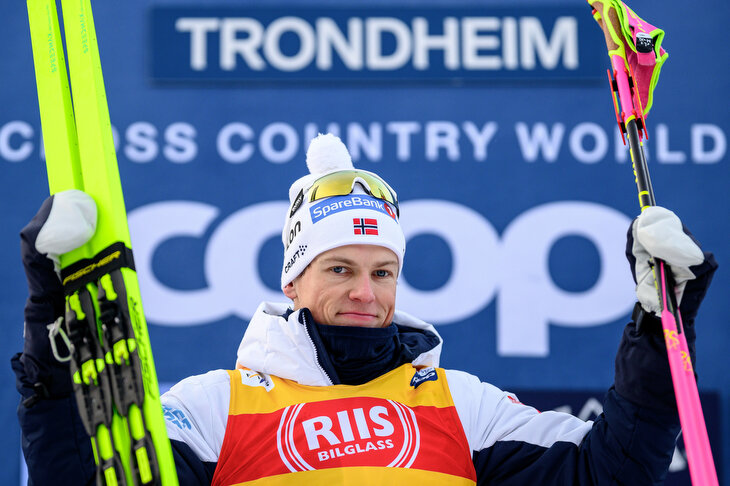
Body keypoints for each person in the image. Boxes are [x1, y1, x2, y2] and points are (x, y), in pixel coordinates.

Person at [14, 133, 718, 485]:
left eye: (383, 272)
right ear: (293, 281)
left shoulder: (460, 404)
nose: (365, 292)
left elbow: (607, 473)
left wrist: (660, 329)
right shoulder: (214, 408)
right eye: (340, 269)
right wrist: (52, 315)